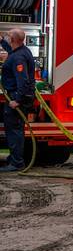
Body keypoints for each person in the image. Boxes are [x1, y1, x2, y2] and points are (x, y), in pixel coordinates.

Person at [0, 29, 36, 172]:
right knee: (16, 129)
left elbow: (23, 81)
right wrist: (2, 40)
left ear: (13, 40)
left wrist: (18, 100)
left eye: (8, 36)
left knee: (14, 130)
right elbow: (11, 51)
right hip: (17, 95)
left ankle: (16, 163)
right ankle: (15, 158)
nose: (7, 38)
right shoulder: (21, 50)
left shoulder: (18, 58)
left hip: (16, 98)